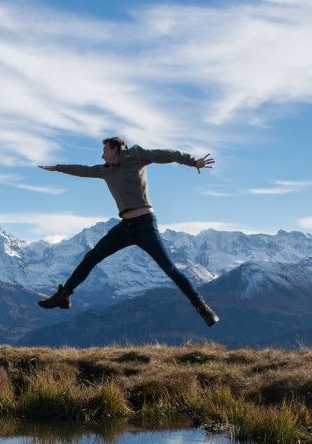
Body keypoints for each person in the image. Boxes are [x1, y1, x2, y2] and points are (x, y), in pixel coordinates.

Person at [38, 136, 219, 326]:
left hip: (145, 225)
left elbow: (167, 155)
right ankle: (64, 295)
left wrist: (192, 162)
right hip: (125, 227)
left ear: (115, 149)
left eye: (105, 150)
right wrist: (58, 167)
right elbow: (83, 170)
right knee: (91, 257)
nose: (102, 155)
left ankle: (202, 307)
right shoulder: (105, 171)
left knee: (170, 268)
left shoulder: (137, 156)